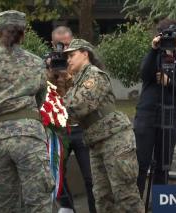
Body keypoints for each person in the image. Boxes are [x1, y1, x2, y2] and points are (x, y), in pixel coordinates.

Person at [0, 10, 54, 212]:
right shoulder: (35, 62)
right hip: (30, 137)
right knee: (38, 203)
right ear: (23, 34)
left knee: (7, 205)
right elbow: (41, 97)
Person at [63, 39, 144, 213]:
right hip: (96, 141)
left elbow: (80, 105)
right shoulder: (77, 82)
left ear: (85, 54)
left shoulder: (94, 75)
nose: (68, 60)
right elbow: (69, 110)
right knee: (102, 197)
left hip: (115, 139)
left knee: (125, 195)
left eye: (72, 55)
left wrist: (56, 108)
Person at [134, 19, 176, 197]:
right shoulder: (153, 56)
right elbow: (145, 74)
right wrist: (154, 49)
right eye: (171, 35)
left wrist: (170, 83)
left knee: (163, 165)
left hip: (170, 117)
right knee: (141, 163)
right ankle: (135, 205)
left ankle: (159, 203)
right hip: (147, 116)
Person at [46, 26, 96, 213]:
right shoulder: (48, 64)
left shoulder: (81, 63)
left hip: (82, 127)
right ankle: (67, 208)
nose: (64, 49)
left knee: (90, 176)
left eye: (67, 44)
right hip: (59, 128)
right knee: (56, 173)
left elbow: (87, 92)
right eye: (60, 45)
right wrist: (51, 72)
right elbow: (44, 94)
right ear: (53, 43)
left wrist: (69, 74)